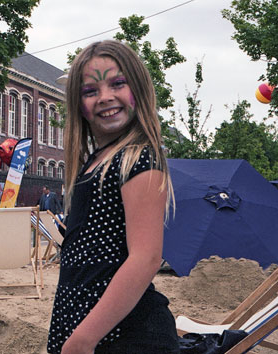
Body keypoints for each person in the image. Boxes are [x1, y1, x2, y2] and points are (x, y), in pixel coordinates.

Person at [48, 40, 179, 354]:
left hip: (126, 335)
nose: (105, 97)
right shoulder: (97, 160)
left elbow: (145, 258)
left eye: (117, 83)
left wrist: (83, 339)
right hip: (92, 326)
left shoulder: (138, 159)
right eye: (90, 91)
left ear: (138, 89)